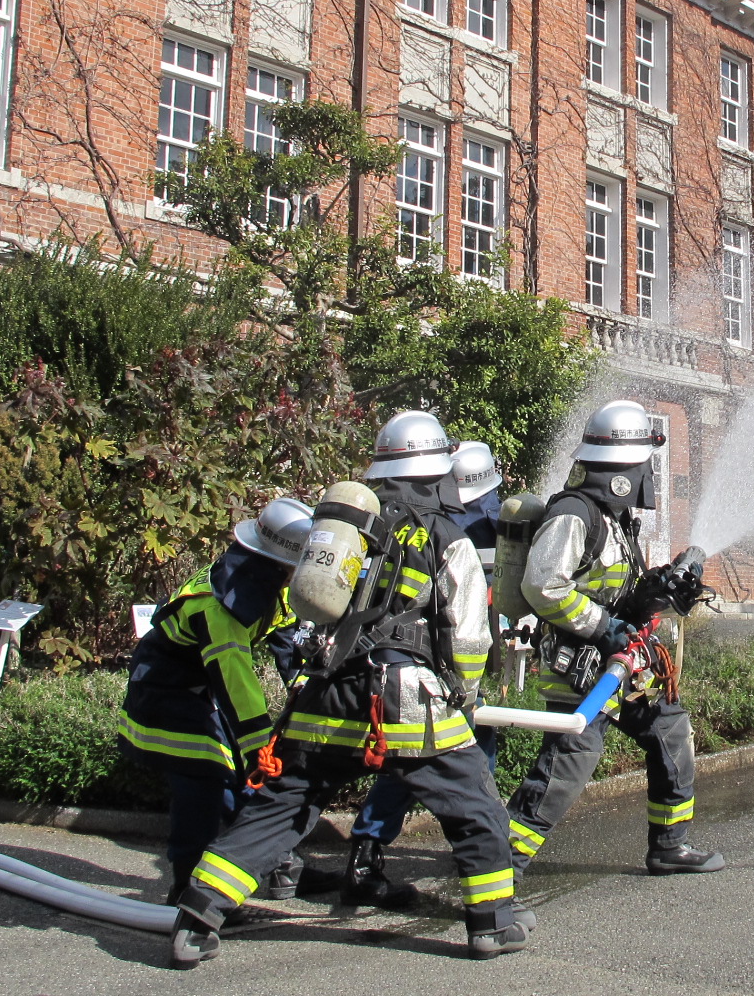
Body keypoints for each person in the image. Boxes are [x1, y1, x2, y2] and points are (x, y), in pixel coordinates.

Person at [168, 411, 531, 966]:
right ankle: (491, 924)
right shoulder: (446, 538)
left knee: (284, 802)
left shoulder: (345, 525)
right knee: (474, 804)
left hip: (327, 690)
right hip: (407, 700)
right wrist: (463, 694)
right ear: (438, 474)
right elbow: (467, 638)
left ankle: (198, 915)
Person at [503, 401, 724, 877]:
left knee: (670, 730)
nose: (649, 472)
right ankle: (501, 861)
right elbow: (543, 586)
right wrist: (603, 627)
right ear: (623, 468)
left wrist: (660, 590)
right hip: (583, 669)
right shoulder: (574, 513)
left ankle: (670, 845)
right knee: (566, 767)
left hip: (622, 666)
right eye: (645, 460)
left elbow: (615, 591)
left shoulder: (614, 517)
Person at [117, 497, 313, 905]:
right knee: (203, 784)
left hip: (199, 692)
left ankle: (276, 867)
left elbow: (287, 639)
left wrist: (307, 686)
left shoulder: (262, 581)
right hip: (167, 694)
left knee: (236, 781)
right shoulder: (220, 605)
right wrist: (261, 746)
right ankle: (187, 889)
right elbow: (235, 683)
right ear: (284, 561)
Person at [338, 438, 505, 907]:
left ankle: (370, 853)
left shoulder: (397, 524)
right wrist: (464, 692)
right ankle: (478, 869)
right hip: (425, 678)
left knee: (445, 760)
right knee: (437, 763)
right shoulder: (449, 530)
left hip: (379, 671)